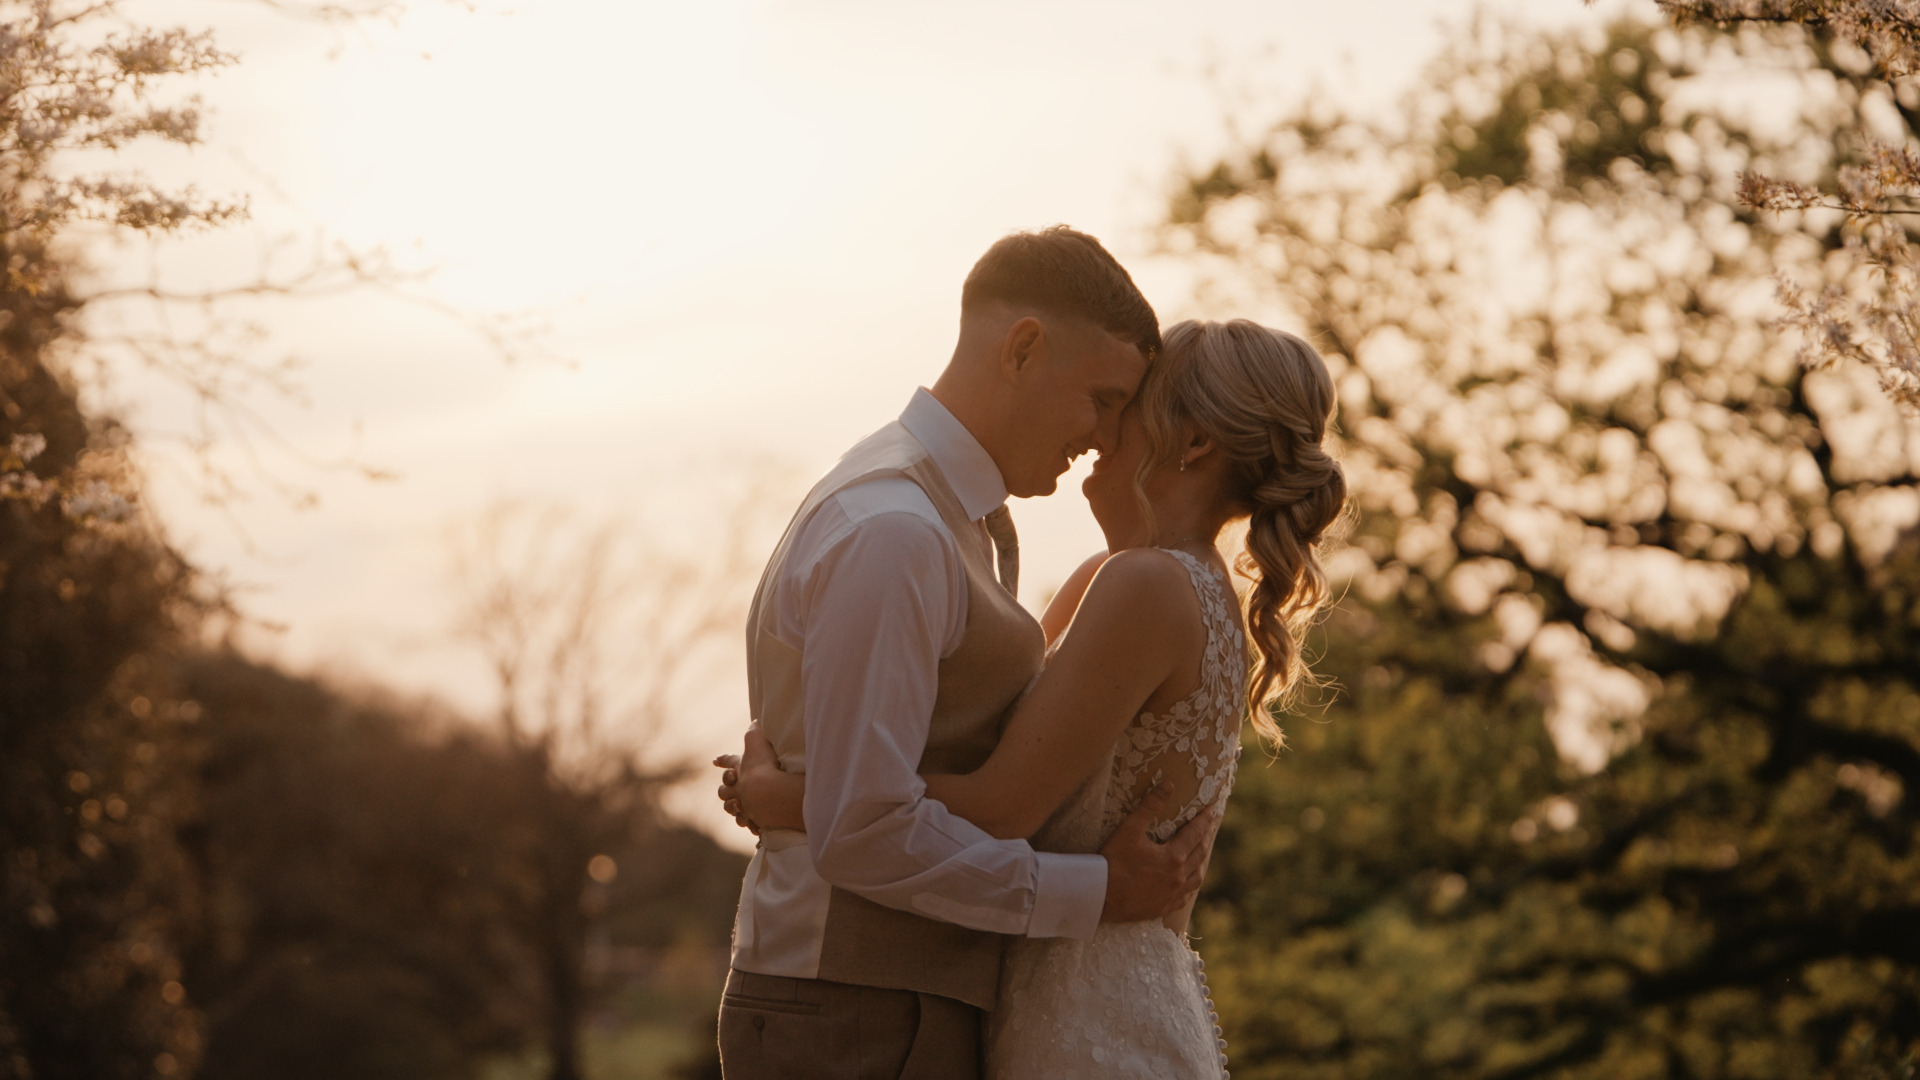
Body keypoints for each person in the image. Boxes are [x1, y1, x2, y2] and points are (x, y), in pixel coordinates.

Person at [721, 318, 1348, 1078]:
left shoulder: (1146, 585)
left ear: (1192, 444)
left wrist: (790, 797)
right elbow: (1001, 731)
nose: (1100, 432)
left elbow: (1002, 807)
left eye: (1125, 405)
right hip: (1064, 996)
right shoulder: (1131, 579)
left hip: (1091, 1017)